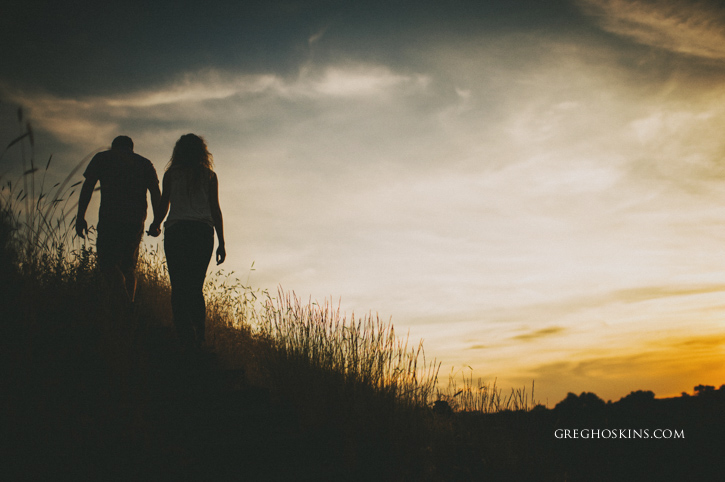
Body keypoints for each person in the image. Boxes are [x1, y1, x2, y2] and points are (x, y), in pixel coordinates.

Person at [148, 134, 225, 353]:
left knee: (179, 286)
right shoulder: (209, 175)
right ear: (202, 152)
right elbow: (215, 209)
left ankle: (185, 336)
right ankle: (198, 336)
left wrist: (155, 224)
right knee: (195, 287)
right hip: (202, 233)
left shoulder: (172, 174)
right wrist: (221, 242)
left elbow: (164, 204)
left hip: (177, 231)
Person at [76, 135, 160, 304]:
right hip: (135, 222)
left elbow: (88, 187)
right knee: (128, 268)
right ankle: (128, 308)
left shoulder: (103, 158)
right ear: (131, 147)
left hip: (110, 219)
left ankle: (125, 304)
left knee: (107, 263)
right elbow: (156, 193)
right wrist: (156, 222)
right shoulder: (145, 163)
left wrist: (80, 216)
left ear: (114, 146)